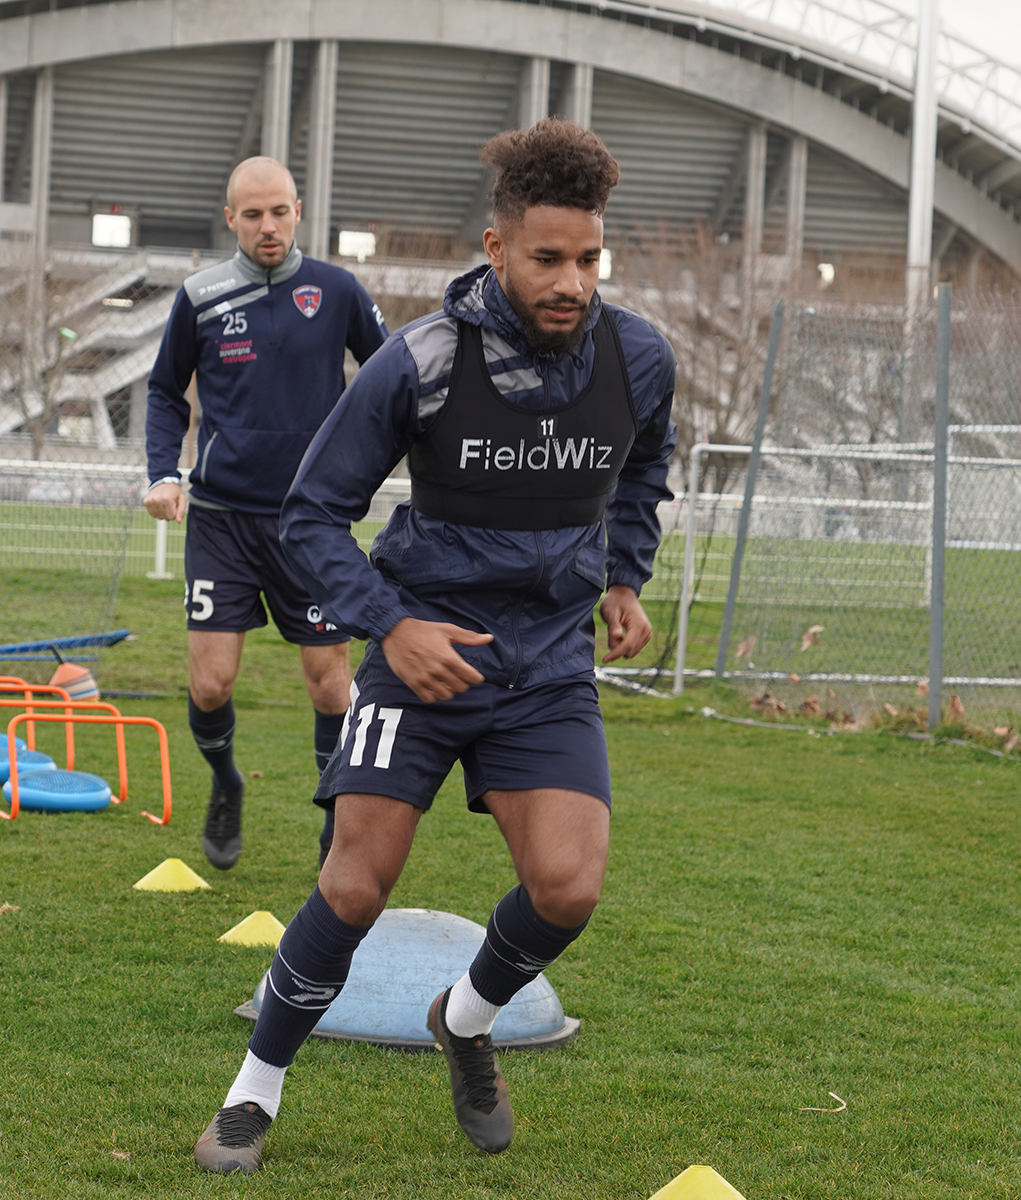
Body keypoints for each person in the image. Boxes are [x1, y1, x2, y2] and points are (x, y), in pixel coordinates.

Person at [191, 118, 677, 1175]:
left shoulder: (638, 356)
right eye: (547, 259)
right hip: (416, 658)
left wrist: (624, 573)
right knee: (356, 885)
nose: (571, 283)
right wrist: (390, 625)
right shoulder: (419, 360)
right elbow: (312, 514)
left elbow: (643, 471)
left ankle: (462, 1018)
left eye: (588, 259)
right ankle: (253, 1090)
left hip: (544, 666)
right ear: (496, 248)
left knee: (568, 889)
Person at [145, 158, 389, 870]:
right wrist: (164, 472)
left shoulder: (338, 290)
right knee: (211, 682)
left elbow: (389, 378)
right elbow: (165, 392)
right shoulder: (201, 296)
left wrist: (368, 466)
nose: (268, 226)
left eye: (279, 211)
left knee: (329, 684)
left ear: (298, 210)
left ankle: (333, 816)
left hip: (309, 522)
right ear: (232, 220)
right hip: (220, 517)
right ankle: (225, 784)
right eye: (253, 215)